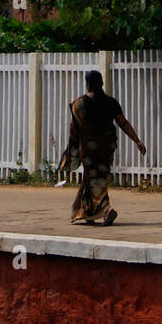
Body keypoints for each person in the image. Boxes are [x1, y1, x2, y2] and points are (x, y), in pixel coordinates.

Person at [58, 69, 146, 227]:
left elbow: (74, 128)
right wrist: (137, 141)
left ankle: (106, 209)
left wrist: (72, 148)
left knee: (94, 179)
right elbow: (123, 123)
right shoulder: (111, 102)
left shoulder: (80, 104)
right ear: (101, 84)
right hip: (106, 147)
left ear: (87, 85)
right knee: (97, 178)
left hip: (89, 149)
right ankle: (88, 213)